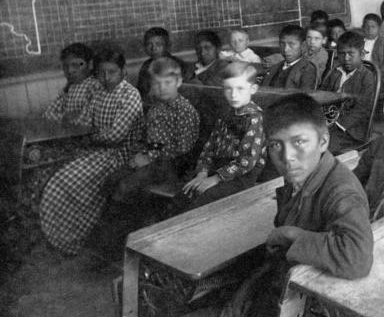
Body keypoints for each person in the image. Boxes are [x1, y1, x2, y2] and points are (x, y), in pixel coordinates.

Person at [171, 93, 373, 317]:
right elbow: (280, 257)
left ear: (324, 141)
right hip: (281, 302)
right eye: (276, 145)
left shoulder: (340, 191)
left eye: (299, 142)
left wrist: (293, 234)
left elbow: (357, 256)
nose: (287, 156)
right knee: (203, 298)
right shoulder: (303, 180)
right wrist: (245, 291)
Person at [39, 44, 143, 255]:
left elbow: (116, 136)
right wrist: (87, 134)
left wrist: (88, 136)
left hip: (118, 155)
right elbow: (83, 123)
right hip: (95, 151)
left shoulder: (130, 95)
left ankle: (73, 238)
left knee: (64, 180)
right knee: (53, 171)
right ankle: (61, 236)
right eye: (101, 73)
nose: (106, 77)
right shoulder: (98, 93)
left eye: (112, 72)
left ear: (123, 72)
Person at [108, 57, 200, 211]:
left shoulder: (184, 110)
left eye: (167, 83)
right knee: (112, 178)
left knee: (126, 185)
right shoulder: (156, 108)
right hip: (152, 158)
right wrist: (139, 154)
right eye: (157, 83)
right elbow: (149, 139)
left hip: (173, 164)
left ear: (178, 82)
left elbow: (183, 148)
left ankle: (125, 224)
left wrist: (149, 157)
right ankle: (116, 221)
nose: (162, 88)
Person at [173, 62, 265, 211]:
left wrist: (215, 179)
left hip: (241, 176)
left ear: (253, 89)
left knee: (203, 199)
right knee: (184, 193)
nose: (233, 95)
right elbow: (209, 147)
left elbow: (247, 161)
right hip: (218, 168)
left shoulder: (254, 118)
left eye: (240, 89)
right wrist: (202, 173)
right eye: (228, 89)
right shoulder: (226, 113)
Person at [319, 31, 378, 154]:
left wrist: (337, 125)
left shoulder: (366, 77)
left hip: (351, 131)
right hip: (328, 122)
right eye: (342, 54)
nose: (346, 58)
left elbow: (362, 109)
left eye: (351, 54)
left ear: (362, 54)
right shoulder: (334, 72)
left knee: (321, 146)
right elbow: (321, 96)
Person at [42, 42, 101, 123]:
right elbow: (47, 115)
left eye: (76, 65)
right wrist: (65, 117)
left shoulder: (95, 87)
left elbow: (86, 119)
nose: (70, 71)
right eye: (65, 66)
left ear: (90, 65)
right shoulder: (69, 88)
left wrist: (63, 117)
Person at [260, 24, 319, 90]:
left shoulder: (307, 69)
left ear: (303, 45)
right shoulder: (275, 67)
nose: (285, 49)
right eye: (282, 44)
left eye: (291, 44)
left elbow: (304, 97)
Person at [136, 26, 188, 98]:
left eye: (158, 44)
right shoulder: (146, 65)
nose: (153, 48)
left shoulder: (178, 65)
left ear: (167, 46)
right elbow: (140, 91)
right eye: (149, 44)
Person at [361, 13, 384, 94]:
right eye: (367, 27)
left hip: (380, 78)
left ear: (379, 28)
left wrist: (372, 74)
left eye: (373, 27)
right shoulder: (359, 43)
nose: (370, 30)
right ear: (362, 28)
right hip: (362, 75)